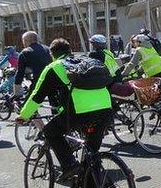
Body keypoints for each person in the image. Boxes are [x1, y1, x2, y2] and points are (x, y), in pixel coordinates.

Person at [15, 38, 113, 181]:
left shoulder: (54, 66)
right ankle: (96, 181)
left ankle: (69, 165)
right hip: (105, 109)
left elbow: (37, 96)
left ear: (52, 54)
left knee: (50, 131)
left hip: (80, 112)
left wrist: (24, 115)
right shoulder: (86, 61)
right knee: (91, 155)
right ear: (70, 51)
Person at [14, 31, 52, 97]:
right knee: (55, 105)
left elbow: (20, 73)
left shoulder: (25, 52)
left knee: (29, 104)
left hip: (39, 82)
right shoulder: (48, 49)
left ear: (25, 40)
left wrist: (16, 92)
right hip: (53, 81)